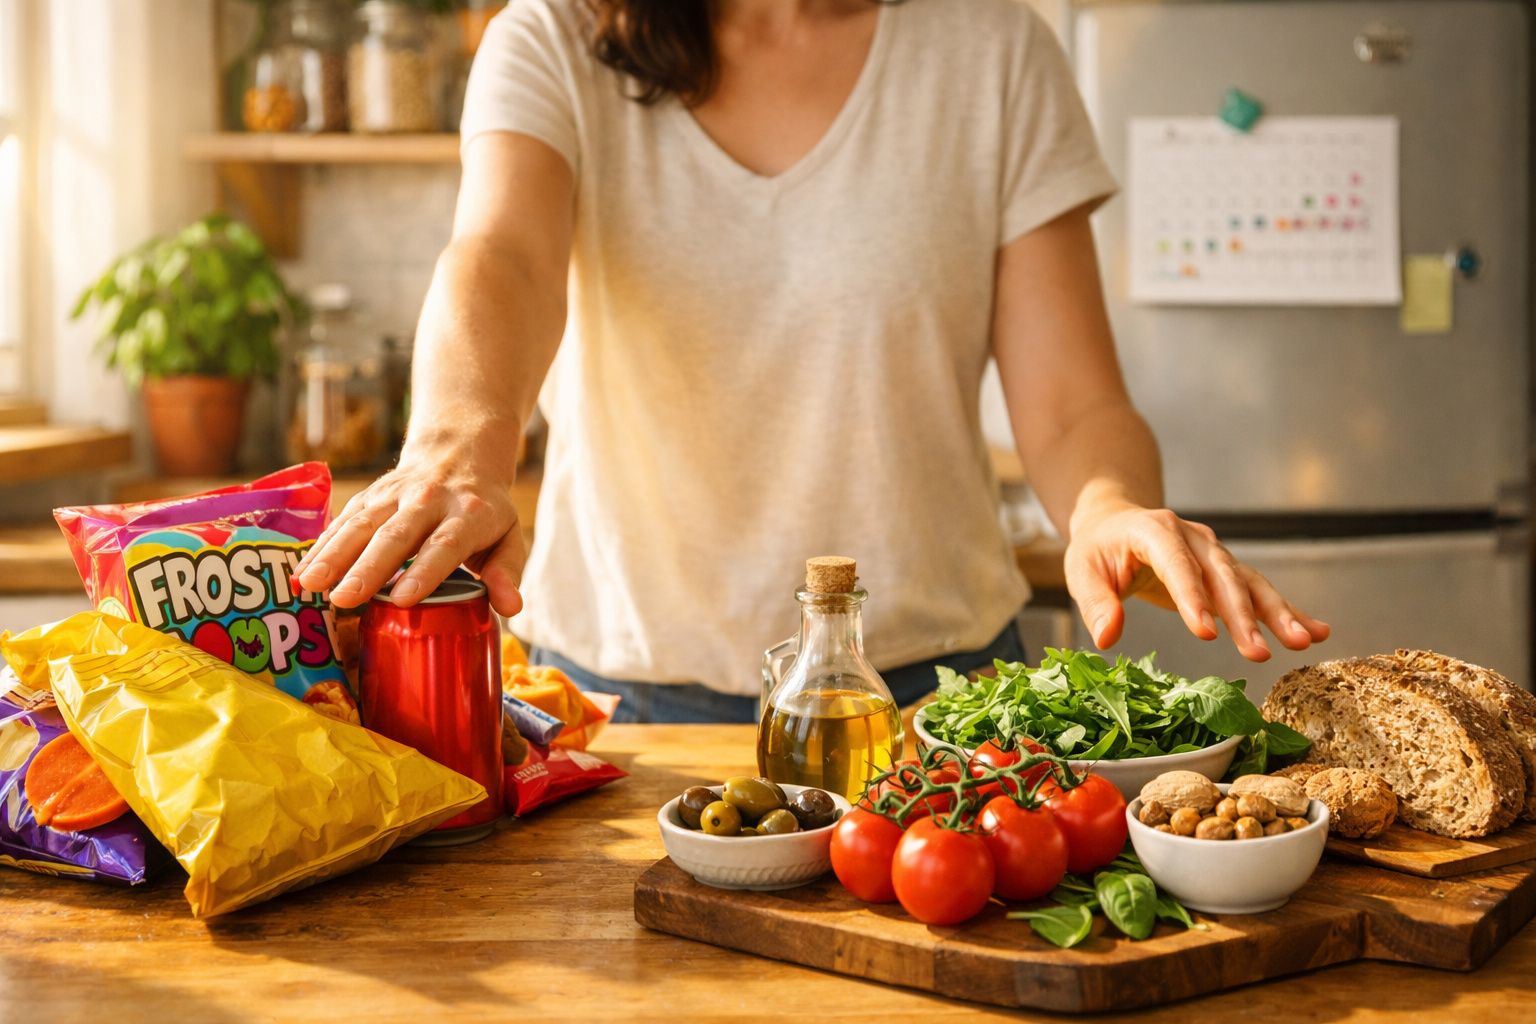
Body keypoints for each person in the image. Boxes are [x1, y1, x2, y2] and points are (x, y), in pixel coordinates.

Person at [293, 0, 1330, 723]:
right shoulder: (551, 37)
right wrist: (457, 443)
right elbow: (504, 257)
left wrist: (1109, 507)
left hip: (939, 695)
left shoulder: (993, 49)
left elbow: (1071, 406)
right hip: (617, 701)